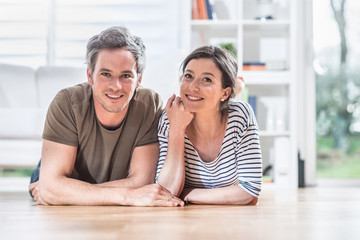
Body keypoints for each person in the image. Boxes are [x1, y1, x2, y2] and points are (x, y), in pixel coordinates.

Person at [29, 26, 183, 207]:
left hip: (78, 182)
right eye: (105, 74)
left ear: (139, 79)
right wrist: (128, 196)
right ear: (90, 75)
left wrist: (66, 192)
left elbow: (141, 182)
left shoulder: (149, 105)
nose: (116, 86)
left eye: (126, 75)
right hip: (65, 165)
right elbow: (50, 188)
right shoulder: (67, 102)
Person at [156, 45, 262, 205]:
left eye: (206, 79)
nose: (192, 87)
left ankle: (237, 87)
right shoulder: (170, 117)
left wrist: (186, 194)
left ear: (225, 93)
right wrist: (177, 129)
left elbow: (250, 193)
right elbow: (165, 193)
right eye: (188, 76)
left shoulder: (240, 115)